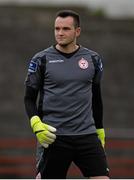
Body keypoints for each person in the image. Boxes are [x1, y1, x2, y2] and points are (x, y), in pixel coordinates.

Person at [24, 9, 109, 179]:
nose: (60, 33)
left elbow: (96, 97)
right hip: (55, 136)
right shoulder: (41, 59)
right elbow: (29, 98)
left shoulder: (93, 59)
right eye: (57, 29)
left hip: (87, 135)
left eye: (65, 29)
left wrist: (99, 128)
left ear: (77, 31)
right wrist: (36, 124)